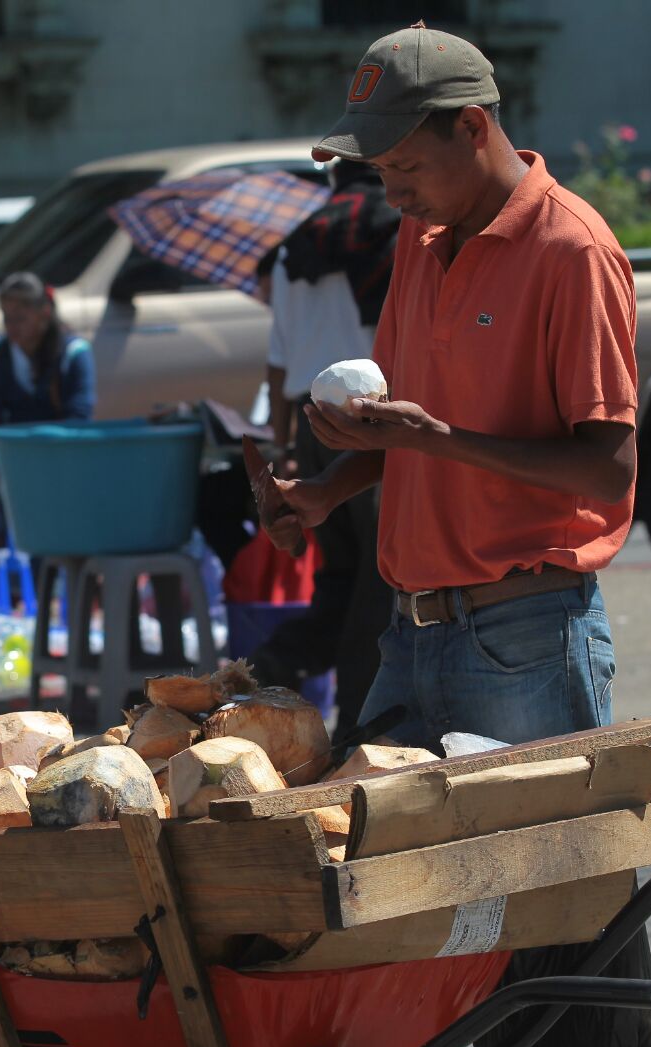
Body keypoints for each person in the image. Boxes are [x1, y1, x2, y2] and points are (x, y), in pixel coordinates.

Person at [270, 26, 651, 1047]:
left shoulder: (570, 249)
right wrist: (334, 483)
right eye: (377, 171)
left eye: (402, 166)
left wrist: (440, 440)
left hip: (526, 634)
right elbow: (415, 434)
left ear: (473, 128)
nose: (389, 192)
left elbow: (604, 470)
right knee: (398, 905)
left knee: (565, 914)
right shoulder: (423, 243)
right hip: (413, 630)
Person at [248, 159, 400, 733]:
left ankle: (274, 665)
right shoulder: (393, 234)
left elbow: (280, 358)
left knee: (340, 575)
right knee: (375, 586)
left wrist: (284, 445)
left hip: (312, 427)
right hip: (370, 426)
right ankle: (358, 726)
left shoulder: (293, 249)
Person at [0, 272, 95, 537]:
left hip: (60, 451)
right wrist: (5, 450)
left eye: (21, 318)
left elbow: (80, 416)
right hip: (12, 453)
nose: (13, 326)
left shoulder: (72, 354)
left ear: (44, 313)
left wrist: (41, 448)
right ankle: (14, 533)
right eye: (7, 318)